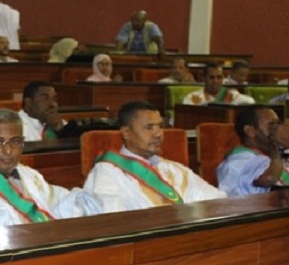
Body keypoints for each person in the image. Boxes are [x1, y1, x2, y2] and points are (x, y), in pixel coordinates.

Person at [83, 101, 225, 213]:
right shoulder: (107, 172)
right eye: (149, 127)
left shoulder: (175, 168)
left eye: (160, 126)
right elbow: (111, 219)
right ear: (126, 133)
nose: (158, 134)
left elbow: (217, 202)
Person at [216, 106, 287, 197]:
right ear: (250, 131)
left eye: (278, 123)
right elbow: (269, 178)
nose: (277, 129)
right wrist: (277, 154)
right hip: (247, 205)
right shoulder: (240, 159)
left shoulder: (269, 154)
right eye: (271, 124)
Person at [182, 64, 255, 106]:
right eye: (211, 77)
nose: (215, 81)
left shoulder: (231, 94)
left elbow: (250, 101)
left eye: (219, 77)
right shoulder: (193, 98)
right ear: (203, 78)